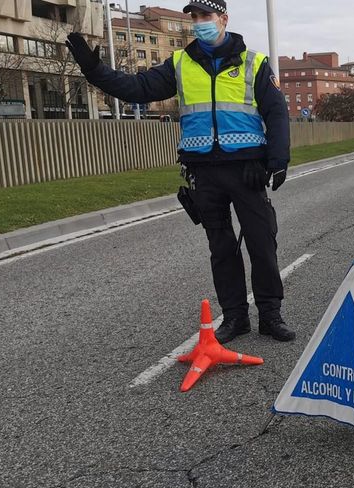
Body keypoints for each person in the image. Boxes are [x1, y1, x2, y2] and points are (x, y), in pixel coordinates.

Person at [65, 0, 294, 344]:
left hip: (246, 169)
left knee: (262, 244)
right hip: (203, 172)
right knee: (222, 249)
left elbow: (276, 112)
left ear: (224, 19)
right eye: (195, 17)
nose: (199, 22)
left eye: (206, 16)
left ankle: (270, 315)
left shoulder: (254, 62)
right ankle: (235, 318)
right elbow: (137, 89)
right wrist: (94, 69)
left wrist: (277, 160)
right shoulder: (181, 62)